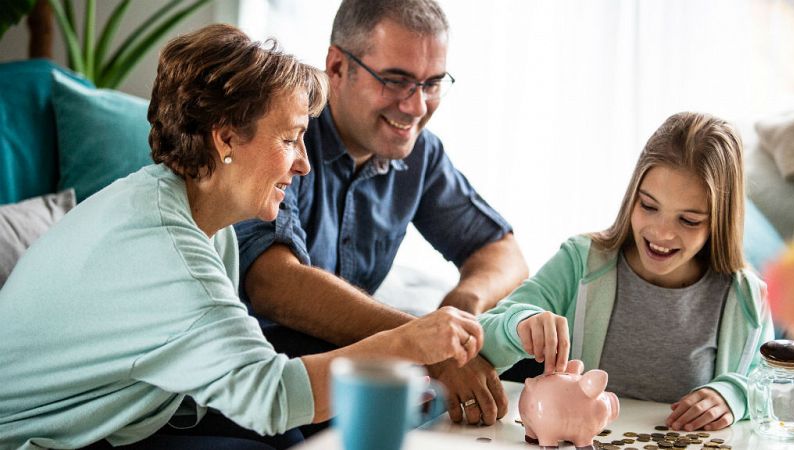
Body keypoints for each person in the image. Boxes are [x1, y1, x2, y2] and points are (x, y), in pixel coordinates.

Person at [0, 24, 486, 450]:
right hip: (40, 437)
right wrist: (407, 342)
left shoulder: (191, 211)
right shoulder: (167, 249)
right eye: (289, 138)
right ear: (226, 137)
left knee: (287, 435)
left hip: (132, 414)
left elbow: (243, 379)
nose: (304, 162)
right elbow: (271, 397)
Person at [234, 0, 529, 426]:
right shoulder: (284, 130)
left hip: (360, 378)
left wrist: (460, 306)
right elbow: (274, 283)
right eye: (396, 80)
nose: (416, 106)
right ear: (336, 67)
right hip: (269, 384)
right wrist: (423, 343)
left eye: (432, 83)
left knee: (529, 364)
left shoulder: (420, 154)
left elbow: (503, 252)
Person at [478, 112, 774, 431]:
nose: (661, 233)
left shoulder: (746, 297)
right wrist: (519, 323)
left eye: (688, 220)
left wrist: (734, 394)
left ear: (719, 220)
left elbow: (771, 385)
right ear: (633, 195)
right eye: (648, 206)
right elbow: (480, 338)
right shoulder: (580, 261)